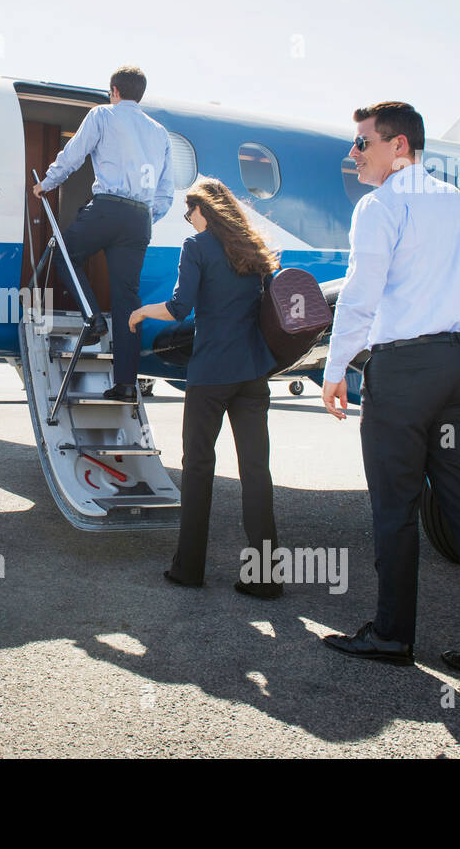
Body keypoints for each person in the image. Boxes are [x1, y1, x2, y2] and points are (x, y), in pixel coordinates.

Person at [320, 101, 460, 687]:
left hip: (404, 372)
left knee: (395, 506)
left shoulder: (380, 207)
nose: (352, 155)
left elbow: (360, 294)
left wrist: (335, 369)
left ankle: (393, 634)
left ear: (398, 146)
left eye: (362, 144)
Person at [130, 178, 281, 595]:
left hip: (211, 374)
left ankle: (190, 569)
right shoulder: (253, 250)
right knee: (255, 471)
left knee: (198, 469)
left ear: (204, 211)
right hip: (252, 374)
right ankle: (266, 578)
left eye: (189, 212)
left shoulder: (196, 247)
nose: (187, 219)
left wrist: (142, 311)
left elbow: (180, 308)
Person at [33, 65, 173, 401]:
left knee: (64, 254)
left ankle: (92, 318)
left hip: (108, 207)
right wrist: (144, 217)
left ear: (114, 91)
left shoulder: (102, 115)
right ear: (139, 93)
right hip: (140, 219)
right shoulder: (160, 133)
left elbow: (74, 154)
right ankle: (126, 384)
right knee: (129, 303)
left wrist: (46, 184)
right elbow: (165, 193)